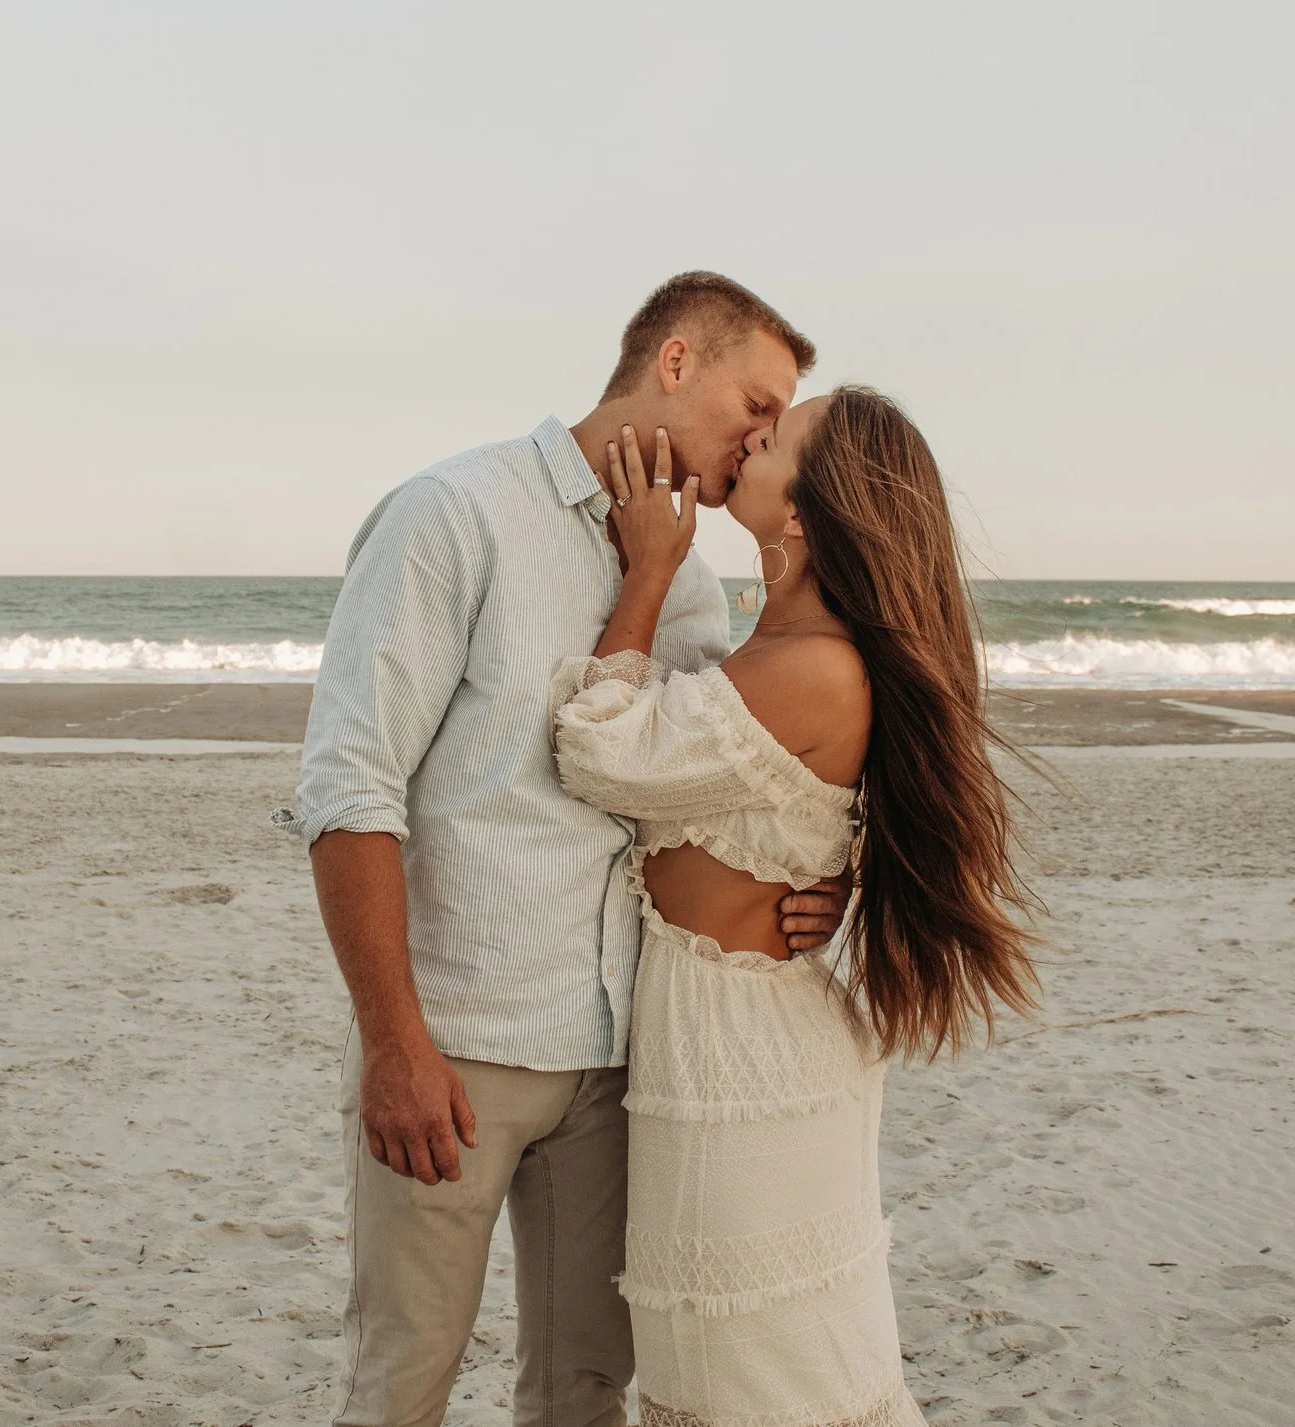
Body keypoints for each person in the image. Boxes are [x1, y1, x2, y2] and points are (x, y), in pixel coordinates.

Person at [288, 272, 852, 1427]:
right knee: (403, 1383)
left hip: (622, 1057)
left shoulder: (685, 577)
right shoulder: (451, 512)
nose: (759, 435)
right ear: (676, 361)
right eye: (754, 400)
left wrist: (820, 877)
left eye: (775, 421)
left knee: (585, 1390)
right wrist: (393, 1040)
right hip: (458, 1049)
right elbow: (349, 789)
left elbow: (702, 779)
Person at [547, 387, 1046, 1426]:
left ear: (810, 511)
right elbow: (813, 796)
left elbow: (595, 750)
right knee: (732, 1365)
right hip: (729, 1034)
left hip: (748, 1058)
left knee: (761, 1374)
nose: (750, 434)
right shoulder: (783, 651)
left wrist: (645, 573)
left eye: (774, 438)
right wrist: (846, 866)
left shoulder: (812, 666)